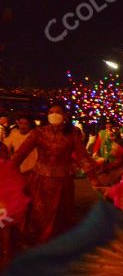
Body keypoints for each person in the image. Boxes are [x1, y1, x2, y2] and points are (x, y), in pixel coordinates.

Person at [10, 104, 99, 245]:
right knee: (39, 215)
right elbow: (20, 154)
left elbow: (82, 157)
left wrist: (93, 179)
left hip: (63, 183)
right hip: (40, 182)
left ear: (65, 116)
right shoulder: (39, 132)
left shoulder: (72, 134)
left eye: (58, 112)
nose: (54, 114)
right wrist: (6, 172)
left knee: (60, 217)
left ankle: (56, 249)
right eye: (51, 112)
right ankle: (38, 248)